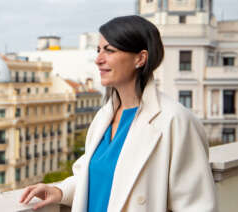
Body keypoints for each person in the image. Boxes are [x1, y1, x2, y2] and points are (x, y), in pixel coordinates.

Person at [19, 15, 217, 212]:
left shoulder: (175, 120)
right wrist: (59, 190)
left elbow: (197, 205)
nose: (98, 60)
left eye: (109, 51)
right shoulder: (103, 117)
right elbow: (94, 176)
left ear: (140, 58)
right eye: (98, 50)